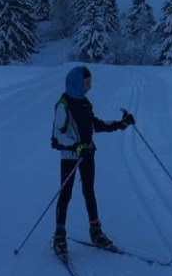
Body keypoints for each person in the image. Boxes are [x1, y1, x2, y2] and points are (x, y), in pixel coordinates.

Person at [50, 65, 135, 256]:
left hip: (87, 154)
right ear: (78, 83)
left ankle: (95, 231)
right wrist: (76, 146)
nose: (90, 86)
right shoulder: (64, 104)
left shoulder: (85, 102)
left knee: (89, 192)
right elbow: (56, 137)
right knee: (66, 195)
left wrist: (120, 124)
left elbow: (94, 125)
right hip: (70, 157)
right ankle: (59, 235)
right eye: (87, 82)